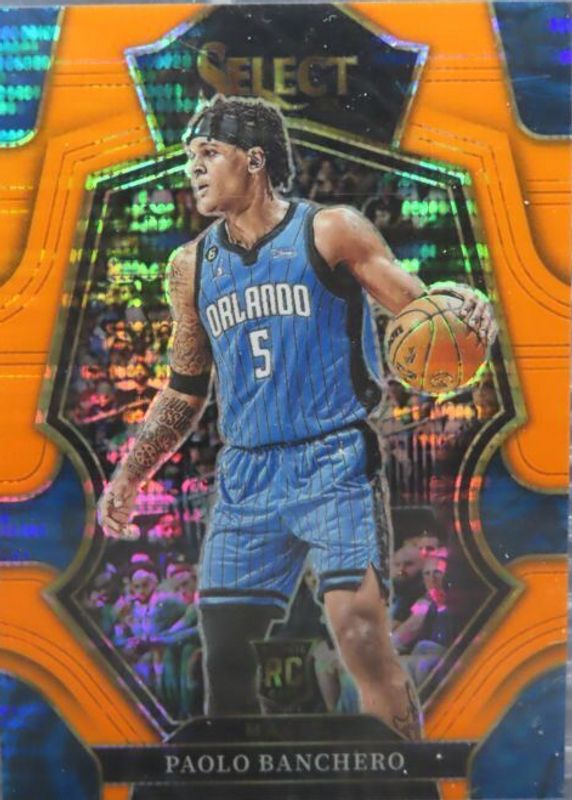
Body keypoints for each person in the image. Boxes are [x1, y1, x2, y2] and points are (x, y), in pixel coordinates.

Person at [97, 95, 496, 739]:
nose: (194, 168)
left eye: (209, 154)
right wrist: (128, 474)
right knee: (224, 656)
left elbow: (420, 310)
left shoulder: (330, 229)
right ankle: (238, 780)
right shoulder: (190, 266)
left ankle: (404, 775)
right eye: (190, 157)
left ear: (254, 160)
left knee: (360, 635)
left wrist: (468, 303)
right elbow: (184, 390)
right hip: (247, 474)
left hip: (333, 459)